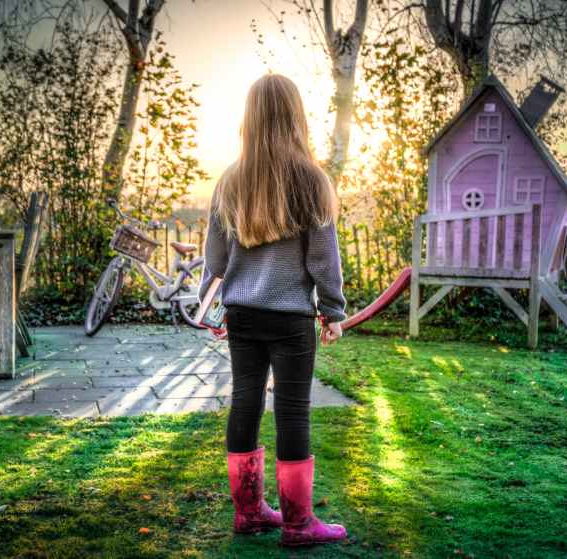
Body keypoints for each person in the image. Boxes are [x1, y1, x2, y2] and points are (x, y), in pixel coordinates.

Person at [199, 74, 347, 547]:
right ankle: (299, 524)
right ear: (294, 117)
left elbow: (215, 260)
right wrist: (333, 309)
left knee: (244, 402)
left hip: (242, 314)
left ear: (250, 119)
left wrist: (213, 309)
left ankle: (249, 514)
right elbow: (323, 259)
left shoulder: (230, 180)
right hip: (290, 318)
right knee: (292, 412)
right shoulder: (311, 179)